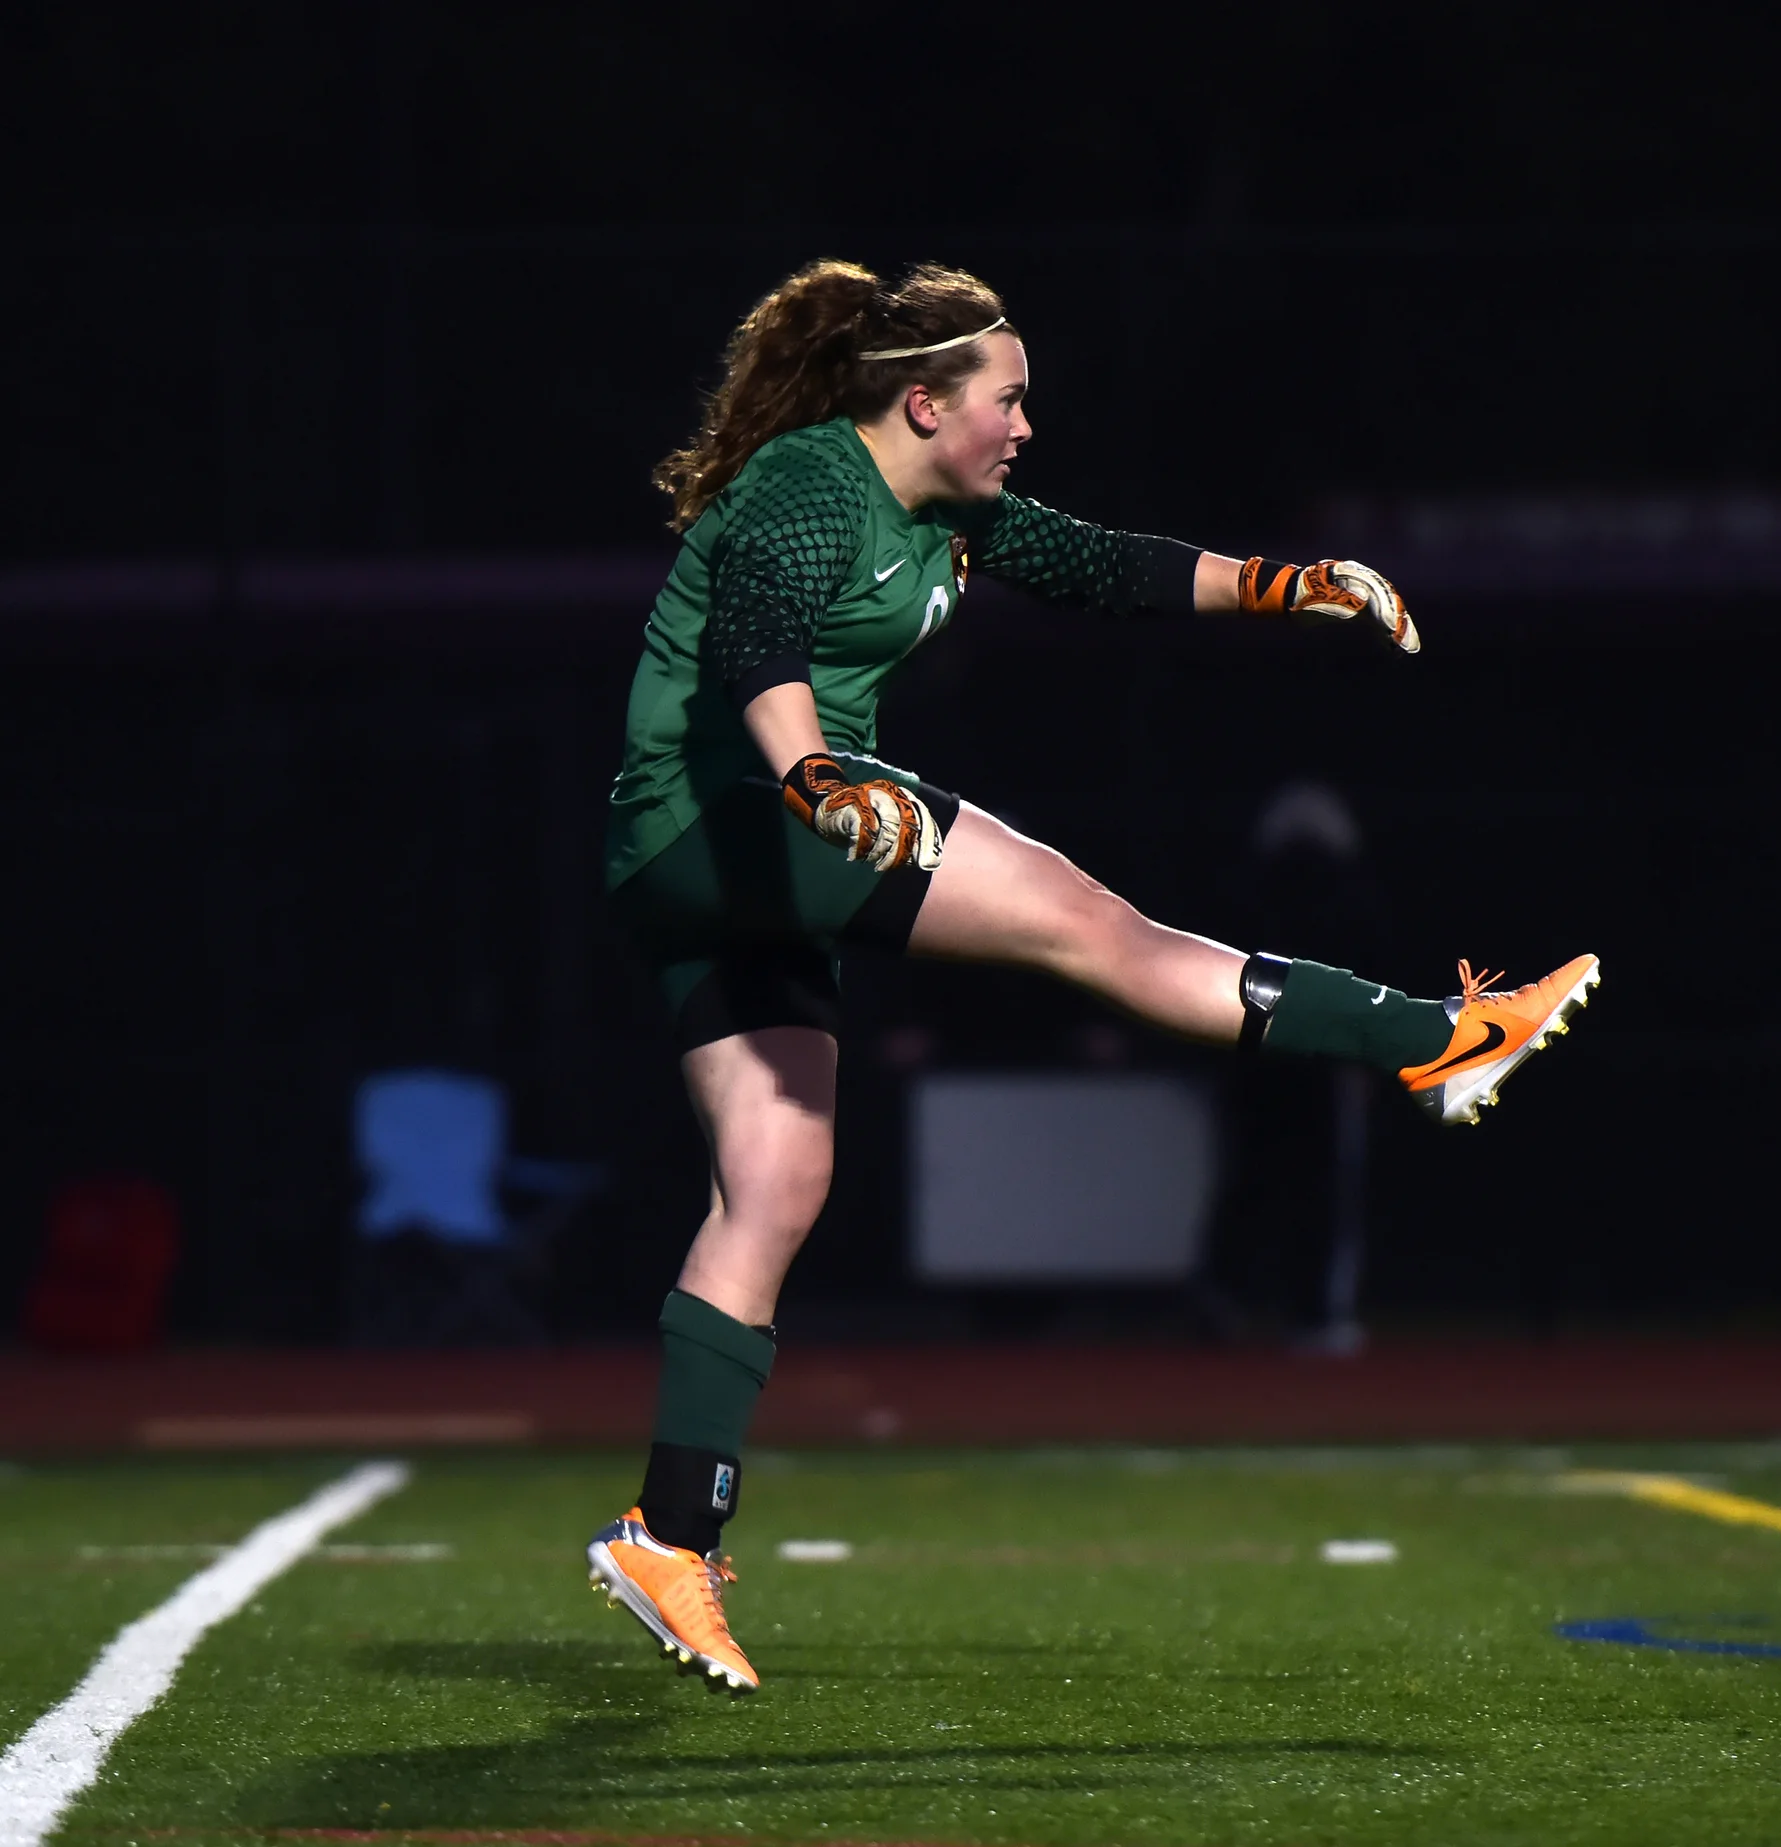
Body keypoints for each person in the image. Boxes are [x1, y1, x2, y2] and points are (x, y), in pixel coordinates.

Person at [582, 259, 1600, 1691]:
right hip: (742, 815)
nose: (1026, 422)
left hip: (701, 865)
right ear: (924, 400)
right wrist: (816, 773)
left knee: (775, 1178)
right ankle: (1429, 1035)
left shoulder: (952, 510)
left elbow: (1106, 565)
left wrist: (1285, 586)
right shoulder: (813, 486)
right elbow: (753, 645)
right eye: (1008, 395)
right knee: (1099, 931)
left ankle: (667, 1532)